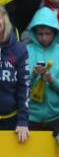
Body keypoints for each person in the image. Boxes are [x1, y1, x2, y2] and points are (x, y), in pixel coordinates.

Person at [25, 7, 59, 131]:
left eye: (48, 34)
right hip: (29, 116)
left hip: (56, 116)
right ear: (34, 33)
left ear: (55, 33)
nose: (44, 37)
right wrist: (33, 74)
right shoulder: (25, 51)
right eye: (40, 34)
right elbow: (18, 84)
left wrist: (52, 80)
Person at [0, 7, 29, 143]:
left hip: (10, 121)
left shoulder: (19, 49)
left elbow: (24, 87)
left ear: (4, 19)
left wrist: (22, 121)